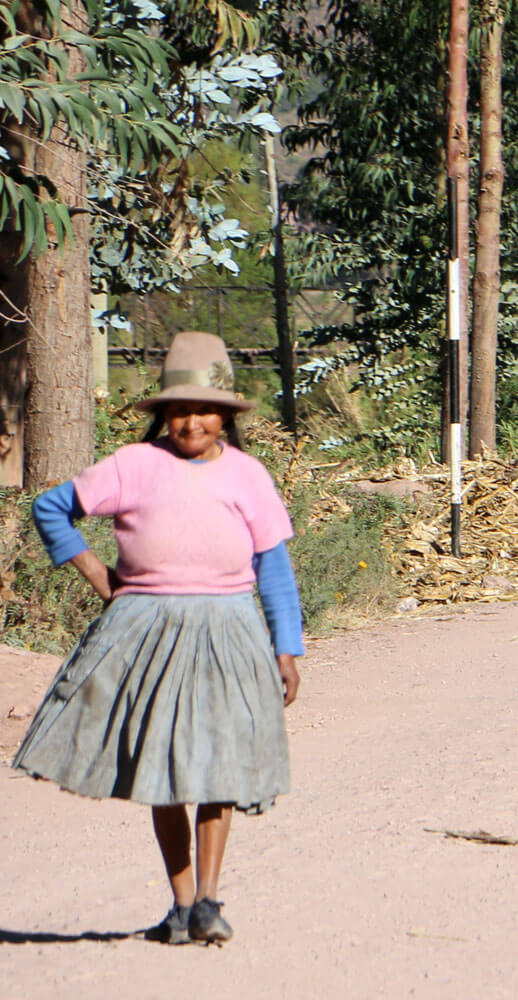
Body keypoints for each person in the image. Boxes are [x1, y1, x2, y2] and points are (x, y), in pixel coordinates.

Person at [14, 331, 303, 947]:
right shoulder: (133, 466)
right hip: (144, 629)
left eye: (203, 411)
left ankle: (208, 900)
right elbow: (49, 509)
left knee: (220, 767)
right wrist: (98, 573)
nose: (191, 422)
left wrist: (286, 648)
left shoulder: (249, 477)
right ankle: (179, 903)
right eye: (179, 411)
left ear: (224, 417)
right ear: (163, 416)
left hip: (229, 630)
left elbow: (274, 569)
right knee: (165, 769)